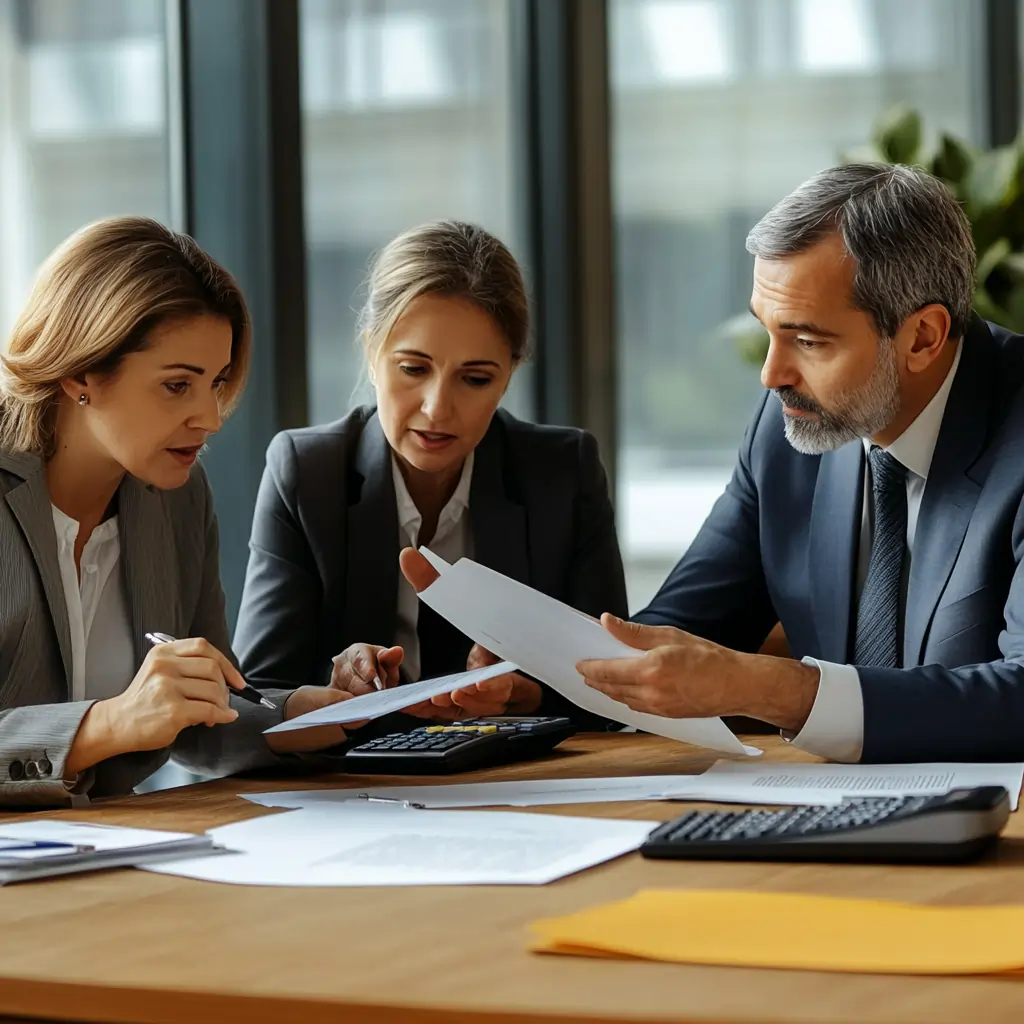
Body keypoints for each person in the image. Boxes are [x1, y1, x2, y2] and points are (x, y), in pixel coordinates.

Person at [567, 162, 1024, 764]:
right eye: (769, 332)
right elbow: (686, 630)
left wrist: (772, 688)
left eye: (808, 341)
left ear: (923, 337)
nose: (771, 375)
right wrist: (547, 679)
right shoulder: (789, 429)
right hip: (829, 811)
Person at [0, 217, 363, 807]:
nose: (211, 418)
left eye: (216, 383)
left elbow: (198, 724)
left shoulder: (178, 496)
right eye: (177, 386)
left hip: (112, 854)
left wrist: (298, 714)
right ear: (80, 371)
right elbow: (131, 720)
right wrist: (108, 724)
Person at [234, 220, 626, 724]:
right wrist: (337, 692)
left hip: (514, 775)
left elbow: (614, 687)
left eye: (476, 378)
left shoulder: (562, 471)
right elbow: (259, 696)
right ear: (371, 353)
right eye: (414, 369)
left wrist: (518, 695)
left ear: (509, 374)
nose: (438, 409)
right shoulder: (307, 472)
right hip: (355, 783)